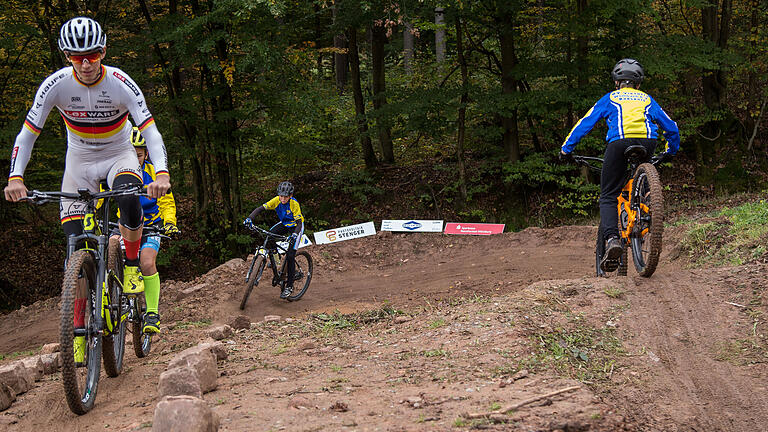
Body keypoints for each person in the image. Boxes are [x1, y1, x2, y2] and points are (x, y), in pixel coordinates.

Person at [4, 17, 171, 362]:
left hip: (118, 155)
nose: (85, 63)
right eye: (76, 56)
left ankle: (129, 265)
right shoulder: (56, 86)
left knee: (127, 195)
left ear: (103, 51)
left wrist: (163, 173)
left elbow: (150, 132)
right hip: (78, 162)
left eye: (92, 55)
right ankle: (77, 333)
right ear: (66, 55)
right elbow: (28, 135)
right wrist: (16, 177)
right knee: (74, 250)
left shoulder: (122, 83)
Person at [559, 58, 679, 273]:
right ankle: (646, 210)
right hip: (648, 141)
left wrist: (566, 149)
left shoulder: (610, 98)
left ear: (616, 82)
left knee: (608, 195)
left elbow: (585, 123)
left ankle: (613, 238)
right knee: (640, 181)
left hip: (619, 141)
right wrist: (671, 150)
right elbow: (671, 126)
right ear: (638, 84)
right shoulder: (648, 99)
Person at [107, 126, 179, 333]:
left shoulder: (154, 173)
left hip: (150, 225)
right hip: (124, 225)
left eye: (138, 155)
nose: (134, 159)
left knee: (147, 262)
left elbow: (167, 203)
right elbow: (101, 194)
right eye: (130, 154)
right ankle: (113, 295)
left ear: (146, 154)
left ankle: (152, 313)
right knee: (111, 244)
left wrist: (170, 222)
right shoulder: (116, 171)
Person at [243, 181, 304, 299]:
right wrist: (250, 218)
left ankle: (290, 286)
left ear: (290, 196)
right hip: (285, 224)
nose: (283, 199)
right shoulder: (276, 200)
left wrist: (295, 234)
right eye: (281, 196)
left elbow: (299, 223)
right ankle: (277, 260)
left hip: (296, 227)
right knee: (269, 235)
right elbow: (260, 208)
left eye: (285, 196)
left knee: (291, 256)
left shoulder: (294, 204)